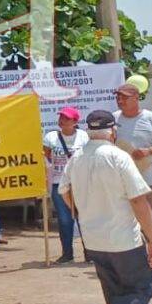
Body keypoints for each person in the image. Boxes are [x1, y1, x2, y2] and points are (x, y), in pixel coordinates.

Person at [59, 110, 152, 304]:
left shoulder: (77, 157)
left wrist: (83, 213)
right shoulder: (118, 156)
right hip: (123, 237)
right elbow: (138, 200)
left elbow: (65, 191)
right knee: (141, 288)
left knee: (117, 294)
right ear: (113, 131)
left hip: (93, 238)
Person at [116, 82, 152, 265]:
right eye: (118, 97)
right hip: (121, 182)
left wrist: (149, 151)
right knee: (126, 223)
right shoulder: (114, 119)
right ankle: (135, 264)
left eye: (124, 97)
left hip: (148, 180)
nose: (120, 100)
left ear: (136, 98)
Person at [43, 107, 87, 263]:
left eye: (66, 118)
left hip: (80, 184)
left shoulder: (84, 137)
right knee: (64, 220)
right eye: (61, 117)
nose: (62, 120)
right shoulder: (51, 137)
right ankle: (67, 254)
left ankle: (90, 253)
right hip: (59, 184)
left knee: (84, 220)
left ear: (75, 122)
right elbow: (45, 157)